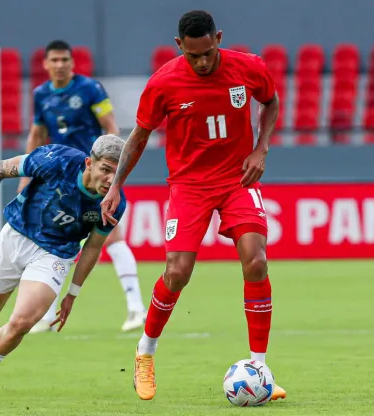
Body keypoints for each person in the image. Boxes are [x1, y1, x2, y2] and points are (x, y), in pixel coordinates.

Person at [100, 10, 286, 401]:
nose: (203, 62)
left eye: (209, 52)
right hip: (189, 186)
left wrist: (261, 148)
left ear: (218, 38)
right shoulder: (164, 83)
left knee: (256, 260)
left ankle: (260, 366)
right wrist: (116, 185)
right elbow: (138, 137)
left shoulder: (248, 68)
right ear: (179, 46)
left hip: (237, 178)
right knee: (178, 272)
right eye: (194, 55)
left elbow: (271, 102)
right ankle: (145, 353)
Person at [0, 135, 127, 399]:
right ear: (89, 163)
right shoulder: (56, 160)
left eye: (118, 173)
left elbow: (92, 246)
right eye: (105, 170)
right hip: (17, 235)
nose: (111, 180)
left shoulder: (115, 203)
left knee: (23, 321)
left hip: (55, 254)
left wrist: (72, 293)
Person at [18, 39, 147, 333]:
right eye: (55, 60)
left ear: (72, 62)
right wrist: (26, 179)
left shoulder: (90, 89)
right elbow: (37, 135)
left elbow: (111, 127)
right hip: (59, 183)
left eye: (65, 60)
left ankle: (136, 307)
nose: (60, 65)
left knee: (111, 237)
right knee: (51, 243)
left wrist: (115, 171)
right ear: (46, 64)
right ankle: (46, 315)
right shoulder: (41, 95)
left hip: (94, 180)